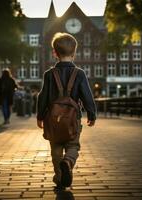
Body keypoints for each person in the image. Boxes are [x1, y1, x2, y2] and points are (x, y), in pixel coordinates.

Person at [36, 32, 96, 190]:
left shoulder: (49, 75)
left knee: (55, 149)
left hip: (53, 120)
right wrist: (92, 114)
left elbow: (42, 97)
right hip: (72, 120)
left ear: (54, 53)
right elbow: (87, 96)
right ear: (74, 53)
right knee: (73, 145)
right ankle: (68, 161)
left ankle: (60, 178)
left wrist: (40, 116)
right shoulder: (80, 74)